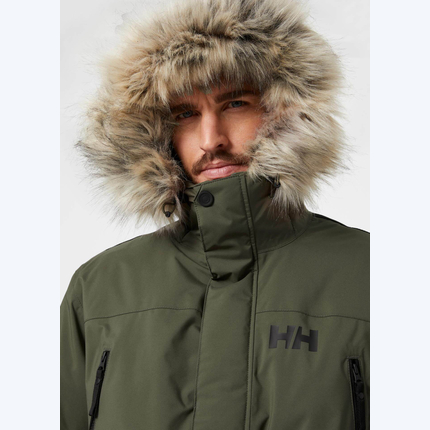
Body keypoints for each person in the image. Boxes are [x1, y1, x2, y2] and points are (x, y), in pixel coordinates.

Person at [60, 0, 369, 429]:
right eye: (185, 114)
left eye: (236, 103)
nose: (211, 140)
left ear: (286, 111)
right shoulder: (99, 290)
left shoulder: (371, 276)